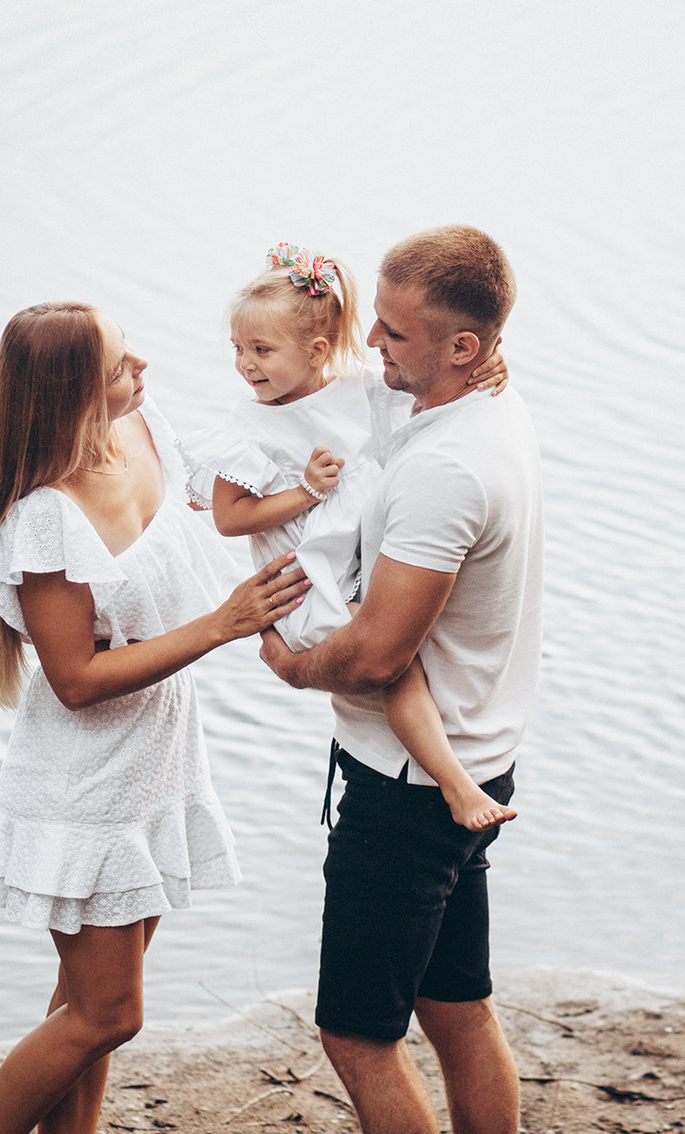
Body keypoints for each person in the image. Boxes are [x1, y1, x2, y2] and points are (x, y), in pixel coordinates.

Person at [0, 302, 309, 1134]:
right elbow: (73, 680)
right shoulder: (45, 520)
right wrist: (224, 624)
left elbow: (256, 463)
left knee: (84, 1009)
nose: (143, 367)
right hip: (83, 784)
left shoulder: (143, 428)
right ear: (76, 390)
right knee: (109, 1013)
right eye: (121, 363)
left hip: (153, 760)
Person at [258, 226, 542, 1134]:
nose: (372, 347)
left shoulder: (443, 471)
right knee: (458, 1007)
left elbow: (379, 654)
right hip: (475, 758)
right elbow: (362, 399)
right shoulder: (483, 415)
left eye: (393, 334)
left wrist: (294, 665)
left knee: (356, 1031)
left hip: (406, 785)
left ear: (465, 348)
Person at [184, 242, 516, 832]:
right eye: (237, 349)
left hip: (356, 553)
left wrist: (495, 361)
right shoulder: (247, 429)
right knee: (394, 662)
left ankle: (452, 776)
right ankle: (455, 783)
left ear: (315, 352)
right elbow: (229, 518)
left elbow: (437, 369)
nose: (245, 365)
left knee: (394, 648)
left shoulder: (359, 389)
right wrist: (304, 495)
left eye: (261, 350)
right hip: (305, 581)